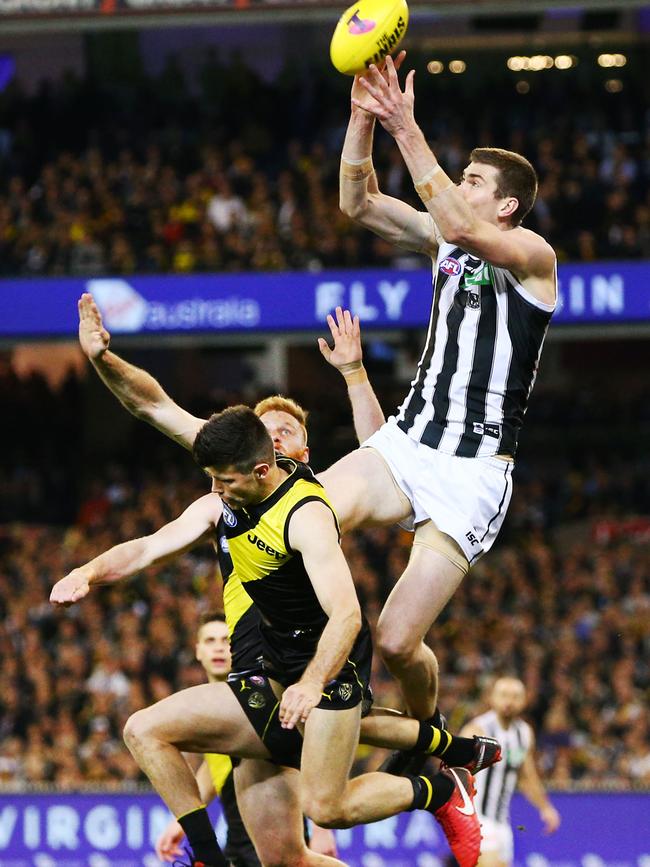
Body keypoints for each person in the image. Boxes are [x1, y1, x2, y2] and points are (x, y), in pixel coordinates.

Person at [51, 406, 496, 867]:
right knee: (144, 730)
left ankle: (441, 789)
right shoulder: (225, 502)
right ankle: (207, 859)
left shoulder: (306, 514)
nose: (215, 489)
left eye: (225, 480)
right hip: (270, 665)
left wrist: (310, 682)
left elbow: (347, 616)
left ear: (262, 469)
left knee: (326, 806)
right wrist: (87, 572)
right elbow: (147, 546)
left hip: (327, 666)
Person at [319, 49, 558, 750]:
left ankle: (432, 735)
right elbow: (355, 202)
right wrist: (363, 119)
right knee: (306, 513)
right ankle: (305, 658)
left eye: (473, 180)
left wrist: (404, 124)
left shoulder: (534, 259)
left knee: (398, 640)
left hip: (473, 471)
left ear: (505, 204)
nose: (458, 185)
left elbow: (458, 225)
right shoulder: (441, 240)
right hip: (408, 442)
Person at [155, 611, 337, 864]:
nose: (219, 648)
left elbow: (308, 749)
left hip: (271, 833)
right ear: (198, 651)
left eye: (226, 640)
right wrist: (181, 821)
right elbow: (217, 765)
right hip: (237, 841)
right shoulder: (206, 705)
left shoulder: (261, 697)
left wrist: (322, 829)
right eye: (210, 641)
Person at [460, 677, 561, 867]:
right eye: (503, 695)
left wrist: (545, 807)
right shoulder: (477, 729)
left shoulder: (523, 733)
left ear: (524, 701)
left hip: (502, 822)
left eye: (515, 697)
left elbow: (526, 776)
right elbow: (454, 771)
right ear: (492, 698)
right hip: (476, 818)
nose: (509, 701)